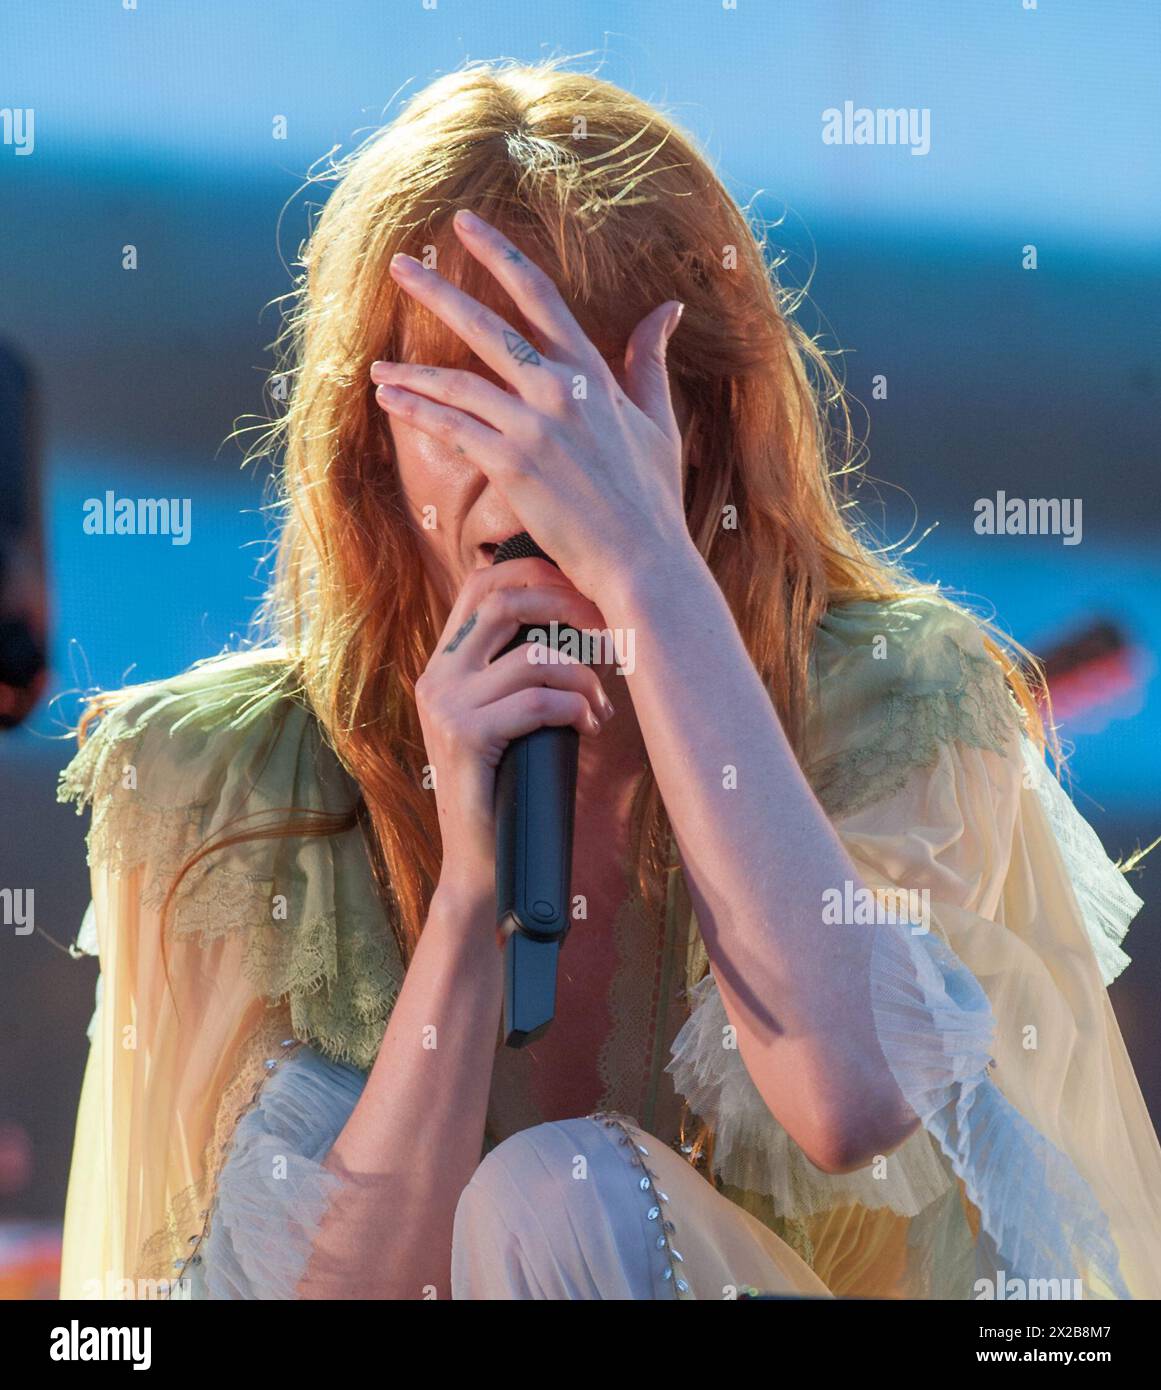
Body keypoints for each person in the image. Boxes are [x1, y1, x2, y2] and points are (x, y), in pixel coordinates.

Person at [56, 58, 1161, 1301]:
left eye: (574, 395)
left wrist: (648, 573)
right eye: (465, 385)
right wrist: (469, 902)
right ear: (369, 434)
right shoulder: (220, 776)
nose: (530, 455)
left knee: (561, 1191)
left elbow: (856, 1097)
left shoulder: (898, 699)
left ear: (699, 427)